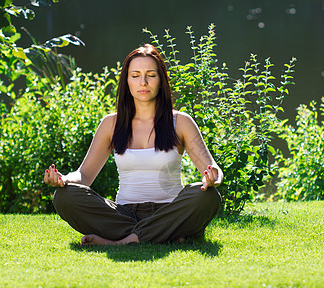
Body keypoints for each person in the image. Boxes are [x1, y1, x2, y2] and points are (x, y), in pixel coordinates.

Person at [44, 44, 223, 246]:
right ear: (127, 81)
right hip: (123, 215)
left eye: (151, 75)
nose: (143, 82)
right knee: (65, 196)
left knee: (208, 197)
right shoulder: (111, 124)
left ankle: (122, 241)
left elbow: (212, 168)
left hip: (169, 210)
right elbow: (84, 176)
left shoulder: (180, 122)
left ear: (161, 80)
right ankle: (165, 235)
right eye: (135, 75)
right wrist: (64, 179)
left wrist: (213, 178)